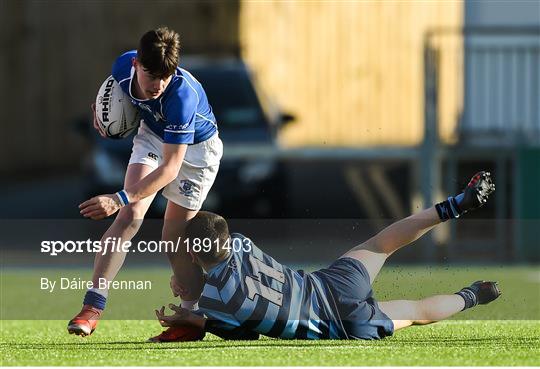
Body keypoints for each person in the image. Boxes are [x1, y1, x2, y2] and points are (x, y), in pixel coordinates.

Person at [154, 171, 500, 341]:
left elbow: (243, 334)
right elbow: (214, 257)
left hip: (339, 324)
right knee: (382, 243)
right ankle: (454, 205)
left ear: (192, 254)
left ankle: (474, 295)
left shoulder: (215, 299)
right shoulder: (241, 242)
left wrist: (191, 314)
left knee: (417, 311)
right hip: (330, 282)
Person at [68, 27, 223, 341]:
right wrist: (103, 117)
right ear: (136, 64)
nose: (158, 85)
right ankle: (92, 308)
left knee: (172, 239)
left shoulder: (181, 96)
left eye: (165, 77)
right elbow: (110, 102)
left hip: (195, 152)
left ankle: (189, 317)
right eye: (152, 75)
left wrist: (119, 197)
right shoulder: (121, 68)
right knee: (128, 219)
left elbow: (169, 169)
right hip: (152, 136)